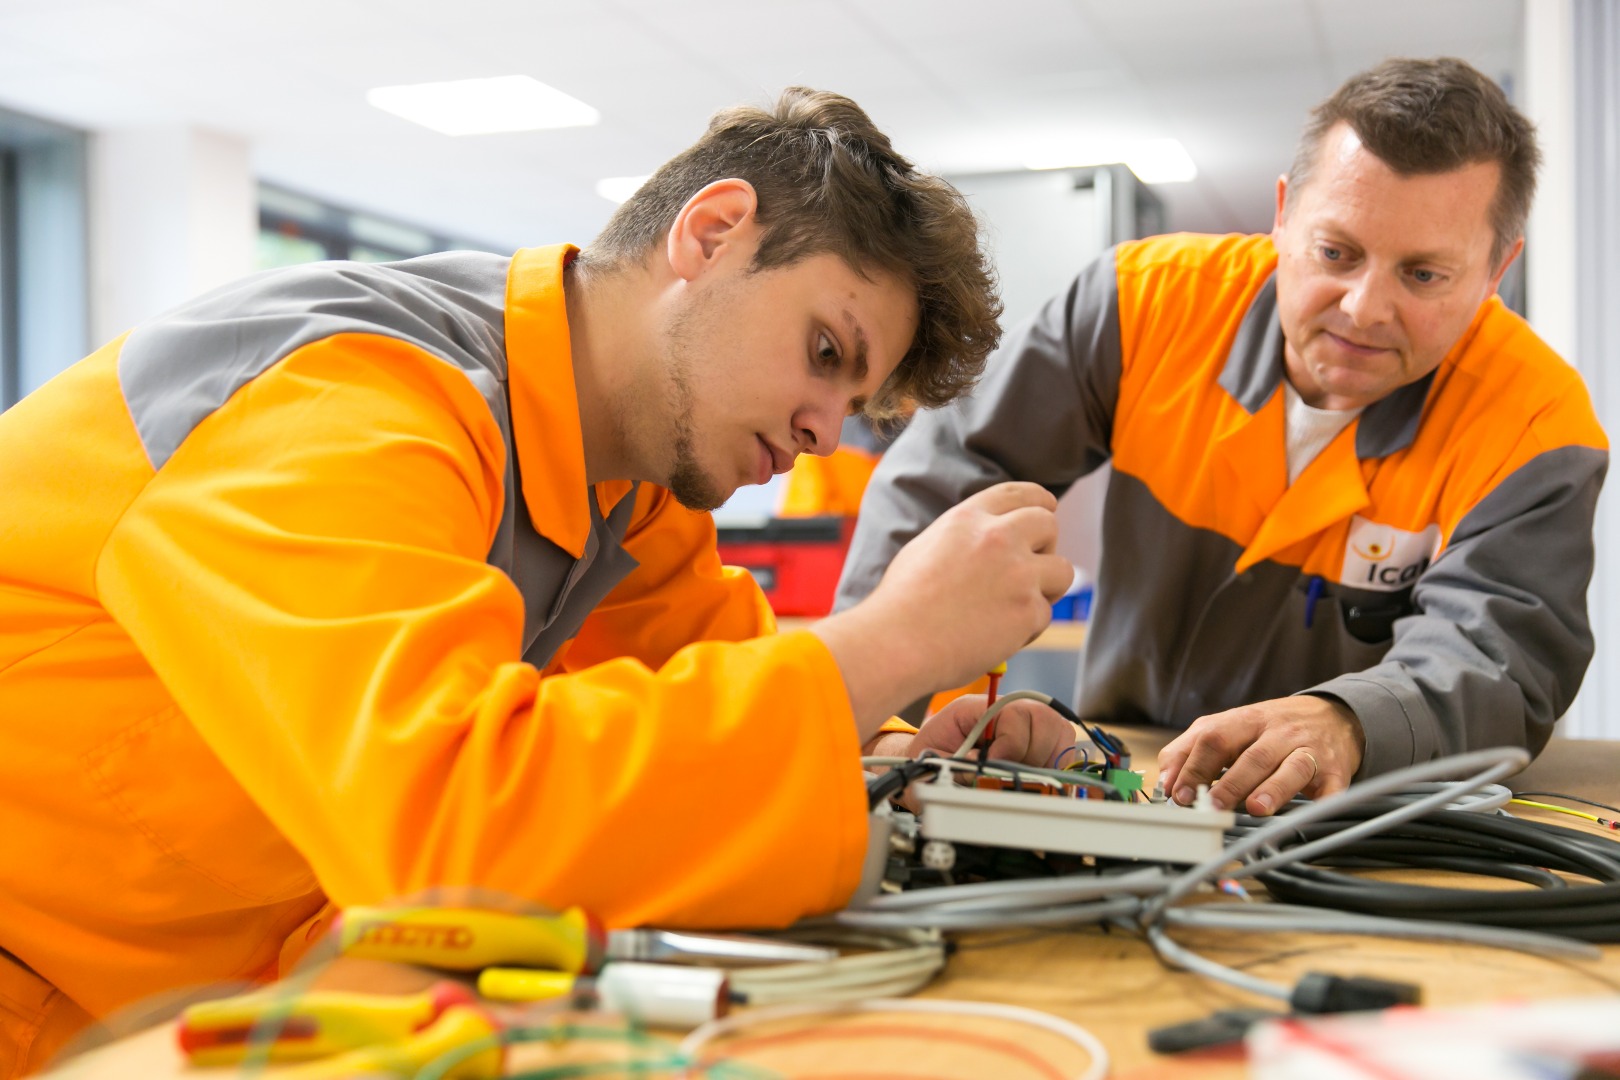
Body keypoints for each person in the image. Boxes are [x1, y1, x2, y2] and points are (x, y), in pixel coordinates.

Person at [0, 88, 1078, 1073]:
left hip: (196, 1006)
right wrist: (897, 639)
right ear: (710, 234)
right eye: (827, 352)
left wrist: (917, 758)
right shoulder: (347, 401)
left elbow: (729, 698)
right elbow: (449, 828)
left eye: (855, 403)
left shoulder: (626, 476)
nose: (822, 430)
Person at [837, 57, 1607, 820]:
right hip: (1130, 772)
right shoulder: (1140, 304)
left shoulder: (1537, 425)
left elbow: (1499, 656)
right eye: (1336, 253)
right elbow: (942, 487)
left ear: (1498, 268)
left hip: (1359, 806)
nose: (1366, 307)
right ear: (1282, 214)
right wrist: (870, 718)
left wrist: (1348, 720)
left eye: (1424, 276)